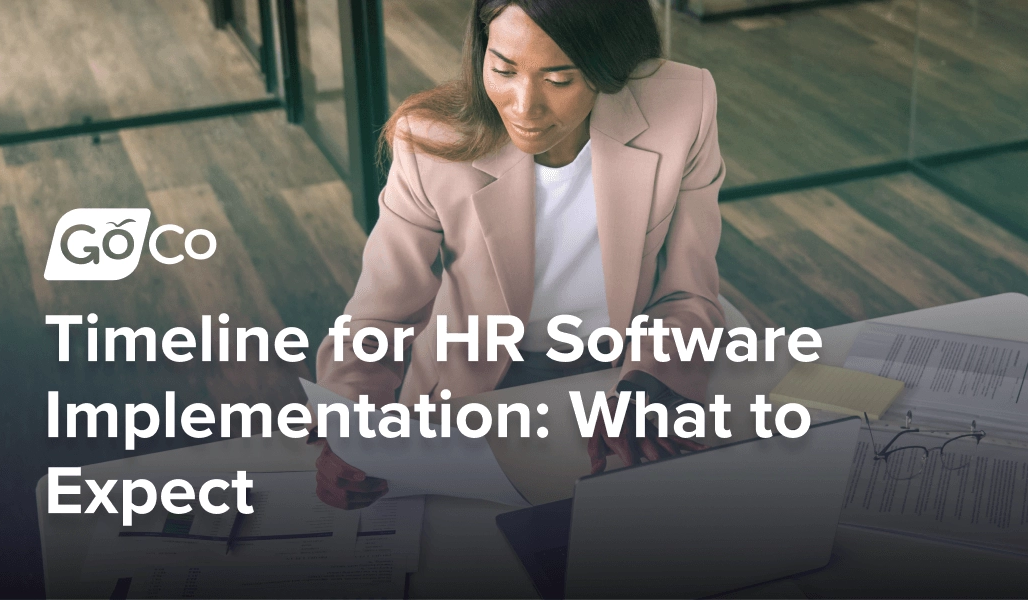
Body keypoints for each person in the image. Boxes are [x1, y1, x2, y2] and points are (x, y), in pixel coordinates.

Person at [311, 0, 726, 510]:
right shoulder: (430, 142)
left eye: (559, 78)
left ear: (608, 68)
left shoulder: (684, 106)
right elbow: (379, 316)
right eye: (503, 69)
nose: (524, 106)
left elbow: (687, 292)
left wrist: (648, 387)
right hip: (474, 388)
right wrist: (353, 433)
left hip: (622, 373)